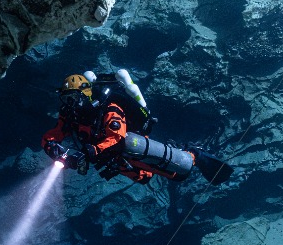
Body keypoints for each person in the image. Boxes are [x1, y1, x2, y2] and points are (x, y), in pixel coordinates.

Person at [41, 71, 232, 186]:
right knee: (145, 178)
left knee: (180, 171)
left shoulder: (109, 108)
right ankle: (175, 153)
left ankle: (193, 154)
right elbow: (52, 135)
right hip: (112, 156)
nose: (70, 104)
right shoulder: (70, 116)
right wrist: (52, 149)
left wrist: (89, 152)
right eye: (66, 99)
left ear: (85, 95)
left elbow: (116, 138)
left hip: (125, 145)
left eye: (73, 98)